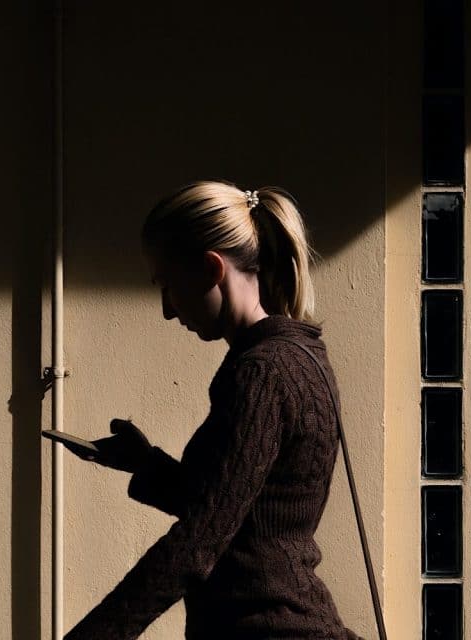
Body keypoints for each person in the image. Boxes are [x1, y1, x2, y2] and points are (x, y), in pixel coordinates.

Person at [64, 179, 364, 640]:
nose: (167, 310)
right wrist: (145, 463)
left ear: (210, 268)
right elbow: (239, 512)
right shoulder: (301, 356)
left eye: (168, 286)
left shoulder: (262, 373)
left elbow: (198, 541)